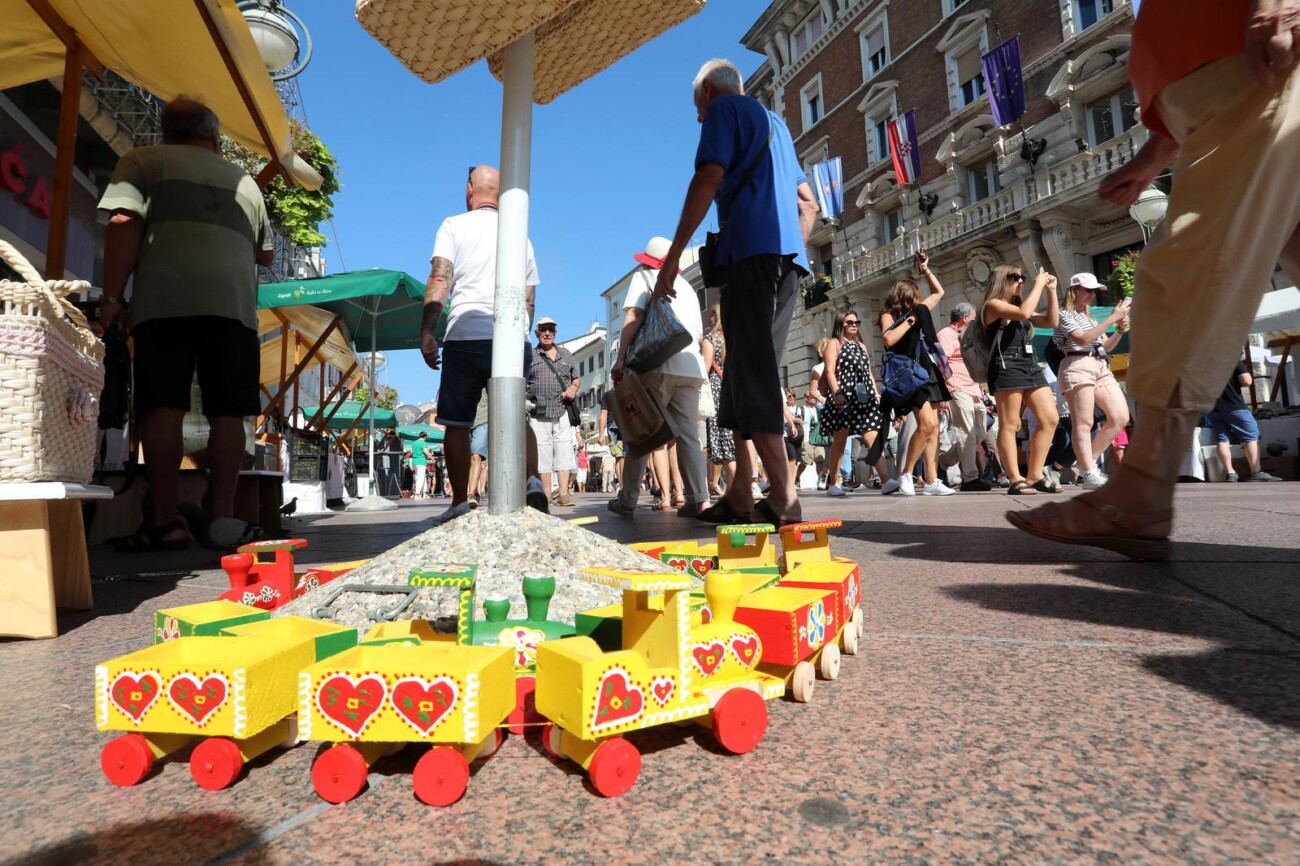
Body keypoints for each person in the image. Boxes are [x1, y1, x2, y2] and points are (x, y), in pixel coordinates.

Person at [1009, 0, 1299, 560]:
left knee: (1185, 274)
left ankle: (1139, 489)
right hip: (1225, 74)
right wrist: (1160, 146)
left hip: (1244, 62)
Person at [97, 97, 272, 552]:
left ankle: (166, 520)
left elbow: (122, 221)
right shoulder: (246, 183)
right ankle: (222, 515)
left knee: (163, 408)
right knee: (229, 414)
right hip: (233, 307)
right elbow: (265, 254)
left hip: (165, 300)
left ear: (165, 130)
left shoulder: (142, 160)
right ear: (214, 138)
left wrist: (113, 298)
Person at [653, 58, 819, 527]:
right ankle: (741, 493)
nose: (699, 118)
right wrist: (792, 247)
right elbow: (808, 203)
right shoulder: (778, 125)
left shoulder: (726, 111)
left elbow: (706, 179)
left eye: (697, 108)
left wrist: (672, 261)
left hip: (751, 254)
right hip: (788, 260)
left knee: (754, 371)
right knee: (744, 373)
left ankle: (784, 496)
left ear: (709, 91)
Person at [420, 165, 547, 524]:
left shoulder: (453, 225)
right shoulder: (520, 235)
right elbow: (529, 298)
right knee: (517, 414)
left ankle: (460, 500)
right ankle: (532, 482)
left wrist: (427, 330)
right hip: (510, 336)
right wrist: (520, 329)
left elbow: (440, 276)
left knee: (457, 423)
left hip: (465, 335)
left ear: (469, 189)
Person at [608, 237, 710, 518]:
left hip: (658, 364)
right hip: (691, 367)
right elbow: (699, 336)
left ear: (647, 260)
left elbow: (634, 317)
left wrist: (621, 358)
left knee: (644, 433)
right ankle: (700, 500)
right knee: (689, 436)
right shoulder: (688, 286)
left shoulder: (644, 277)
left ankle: (627, 501)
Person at [875, 251, 954, 496]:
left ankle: (931, 480)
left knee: (933, 428)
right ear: (905, 298)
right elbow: (889, 339)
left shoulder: (919, 310)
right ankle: (907, 473)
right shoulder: (891, 314)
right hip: (908, 373)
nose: (918, 301)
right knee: (928, 423)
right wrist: (911, 319)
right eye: (914, 298)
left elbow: (939, 293)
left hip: (927, 370)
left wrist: (926, 269)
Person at [980, 263, 1060, 496]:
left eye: (1022, 277)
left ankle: (1035, 475)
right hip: (1006, 365)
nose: (1021, 281)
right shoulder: (993, 305)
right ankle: (1015, 478)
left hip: (1030, 365)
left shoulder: (1019, 306)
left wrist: (1051, 291)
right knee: (1010, 424)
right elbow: (1025, 313)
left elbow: (1051, 322)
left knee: (1050, 418)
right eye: (1015, 277)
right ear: (1001, 280)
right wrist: (1038, 284)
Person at [1055, 273, 1132, 490]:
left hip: (1099, 364)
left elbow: (1106, 347)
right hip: (1077, 364)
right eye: (1088, 290)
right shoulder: (1063, 314)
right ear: (1074, 290)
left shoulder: (1089, 317)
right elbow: (1081, 339)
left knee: (1120, 417)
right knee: (1084, 422)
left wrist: (1119, 328)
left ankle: (1086, 464)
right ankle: (1089, 471)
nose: (1092, 294)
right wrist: (1112, 318)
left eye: (1094, 291)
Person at [819, 309, 890, 497]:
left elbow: (868, 372)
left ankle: (886, 480)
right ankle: (834, 483)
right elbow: (829, 372)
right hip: (844, 397)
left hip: (864, 398)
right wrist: (837, 393)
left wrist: (875, 393)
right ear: (840, 324)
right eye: (849, 322)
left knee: (871, 437)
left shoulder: (861, 346)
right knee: (840, 440)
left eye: (856, 322)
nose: (853, 325)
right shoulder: (834, 344)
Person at [938, 303, 993, 491]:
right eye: (974, 316)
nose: (976, 320)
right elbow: (941, 363)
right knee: (966, 433)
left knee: (979, 433)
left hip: (975, 390)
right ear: (964, 317)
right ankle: (970, 478)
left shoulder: (971, 336)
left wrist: (982, 389)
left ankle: (943, 463)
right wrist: (944, 393)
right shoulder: (946, 334)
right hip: (957, 387)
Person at [528, 316, 581, 507]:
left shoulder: (566, 354)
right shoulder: (531, 355)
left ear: (555, 332)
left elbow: (576, 378)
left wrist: (573, 389)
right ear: (537, 333)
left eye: (550, 329)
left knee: (564, 449)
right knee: (542, 451)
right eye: (543, 329)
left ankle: (564, 494)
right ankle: (547, 494)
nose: (547, 333)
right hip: (539, 411)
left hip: (562, 410)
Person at [1209, 360, 1283, 482]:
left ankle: (1230, 473)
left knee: (1222, 440)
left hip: (1214, 408)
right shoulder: (1233, 359)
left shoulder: (1203, 363)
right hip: (1234, 405)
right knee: (1251, 437)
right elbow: (1246, 380)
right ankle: (1256, 472)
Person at [701, 304, 735, 496]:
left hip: (715, 392)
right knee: (731, 440)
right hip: (731, 389)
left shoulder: (710, 339)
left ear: (716, 316)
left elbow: (705, 371)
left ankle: (728, 487)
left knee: (719, 440)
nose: (709, 317)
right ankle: (734, 487)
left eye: (712, 314)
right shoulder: (731, 338)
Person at [468, 393, 489, 508]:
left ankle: (471, 494)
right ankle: (473, 492)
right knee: (466, 461)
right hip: (463, 421)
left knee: (476, 456)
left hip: (482, 421)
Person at [411, 431, 431, 499]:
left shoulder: (414, 442)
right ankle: (417, 494)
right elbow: (426, 452)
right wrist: (432, 458)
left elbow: (411, 452)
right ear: (425, 437)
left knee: (422, 477)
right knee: (421, 478)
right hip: (421, 461)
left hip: (414, 461)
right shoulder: (423, 443)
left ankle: (424, 493)